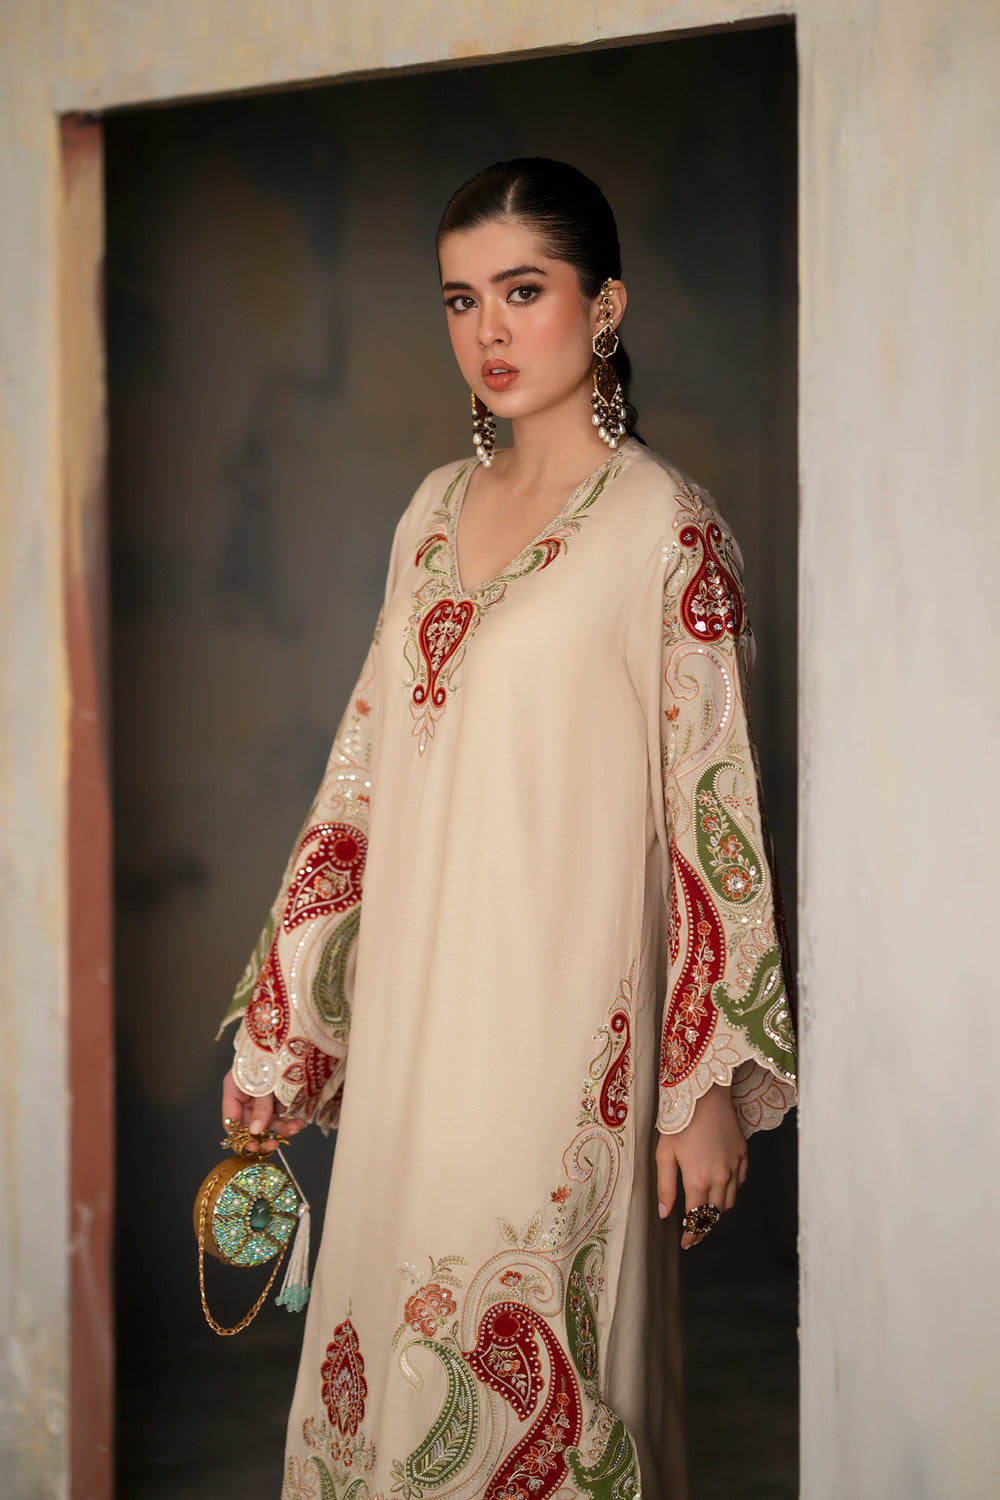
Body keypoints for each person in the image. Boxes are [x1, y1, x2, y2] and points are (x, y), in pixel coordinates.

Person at [219, 158, 796, 1500]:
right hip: (411, 1027)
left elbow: (713, 808)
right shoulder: (430, 511)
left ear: (606, 307)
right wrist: (287, 1025)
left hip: (562, 1042)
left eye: (523, 291)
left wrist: (704, 1081)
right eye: (460, 299)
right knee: (381, 1359)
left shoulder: (668, 532)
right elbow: (360, 780)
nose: (488, 329)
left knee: (533, 1383)